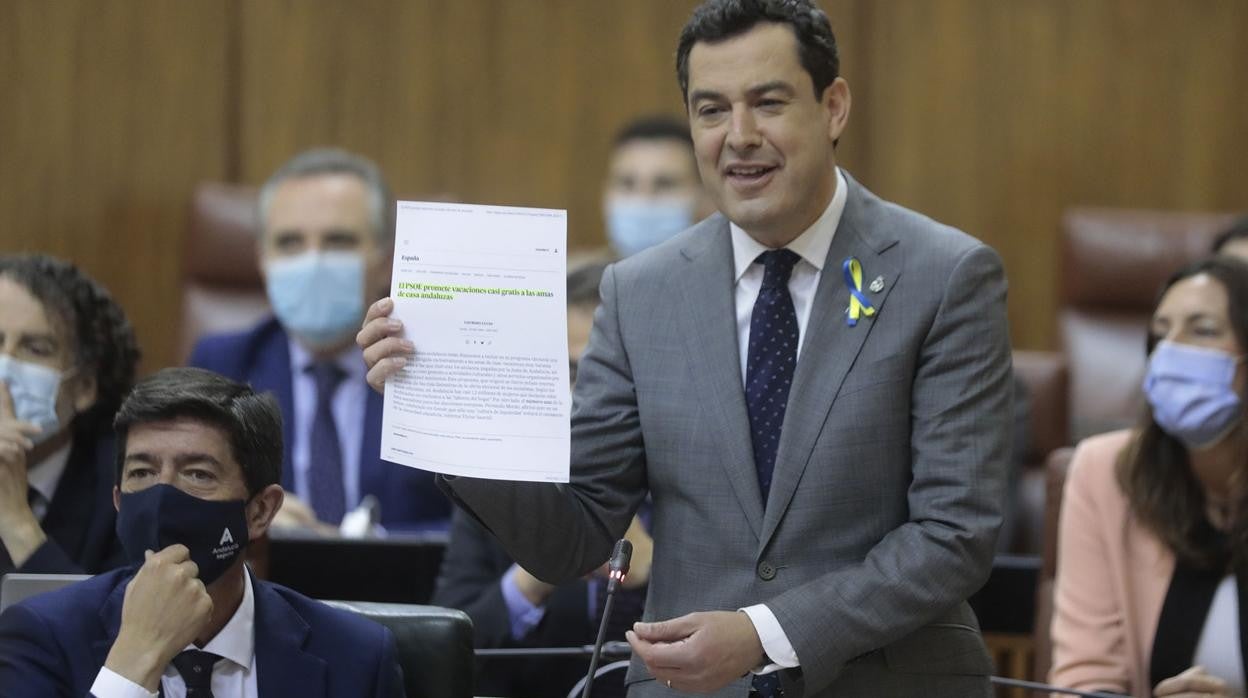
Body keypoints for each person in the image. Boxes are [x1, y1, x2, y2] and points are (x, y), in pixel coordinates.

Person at [360, 1, 1012, 695]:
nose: (740, 136)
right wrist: (443, 409)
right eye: (710, 110)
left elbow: (952, 536)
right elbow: (574, 536)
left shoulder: (945, 276)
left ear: (834, 107)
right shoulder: (640, 293)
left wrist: (765, 632)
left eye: (768, 102)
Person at [0, 367, 405, 697]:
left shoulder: (356, 658)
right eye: (142, 472)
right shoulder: (43, 638)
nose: (163, 495)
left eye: (197, 473)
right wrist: (133, 663)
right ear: (120, 502)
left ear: (261, 511)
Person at [189, 147, 450, 532]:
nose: (313, 262)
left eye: (339, 241)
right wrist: (248, 521)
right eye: (290, 243)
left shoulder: (434, 366)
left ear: (385, 259)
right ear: (262, 260)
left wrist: (363, 546)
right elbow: (192, 508)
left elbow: (475, 539)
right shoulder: (223, 366)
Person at [432, 261, 652, 698]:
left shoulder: (697, 479)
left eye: (603, 378)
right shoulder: (501, 482)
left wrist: (656, 575)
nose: (584, 398)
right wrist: (539, 571)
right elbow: (437, 655)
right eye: (568, 374)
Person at [1050, 256, 1248, 697]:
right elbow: (1083, 682)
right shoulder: (1106, 473)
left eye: (1203, 330)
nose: (1171, 349)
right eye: (1160, 332)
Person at [0, 254, 138, 576]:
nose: (4, 368)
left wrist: (16, 521)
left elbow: (107, 625)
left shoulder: (127, 489)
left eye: (35, 348)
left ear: (84, 386)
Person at [603, 116, 714, 258]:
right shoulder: (574, 278)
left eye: (664, 184)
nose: (643, 200)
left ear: (706, 196)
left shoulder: (733, 277)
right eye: (627, 183)